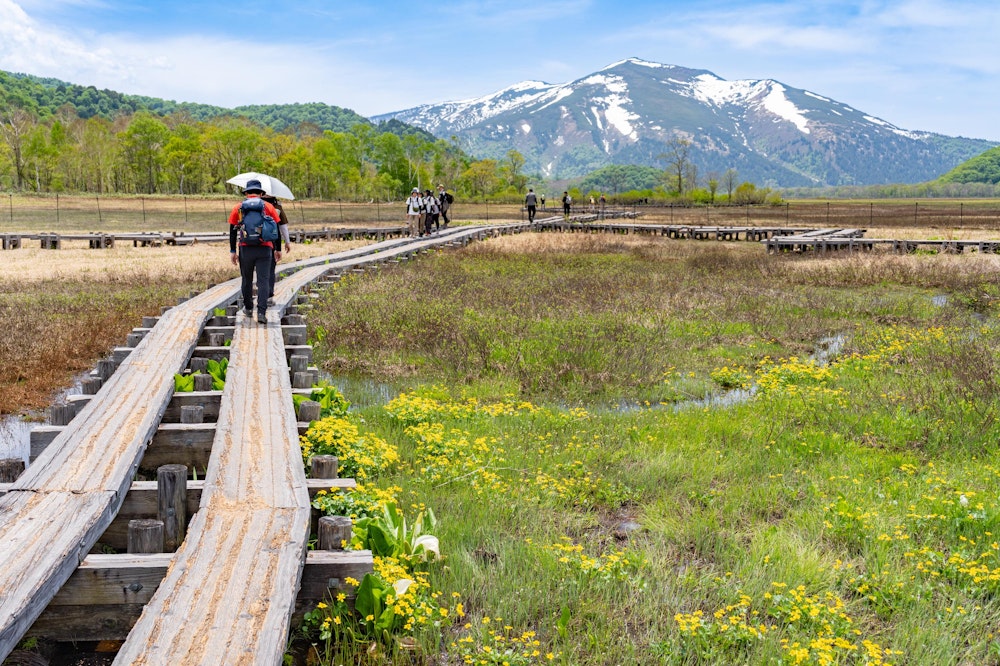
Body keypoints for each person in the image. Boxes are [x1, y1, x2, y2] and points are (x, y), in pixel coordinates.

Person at [229, 179, 282, 324]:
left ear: (246, 193)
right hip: (265, 248)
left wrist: (233, 250)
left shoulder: (238, 208)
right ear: (261, 193)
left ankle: (248, 308)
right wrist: (278, 249)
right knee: (263, 281)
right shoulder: (269, 207)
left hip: (245, 248)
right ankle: (261, 313)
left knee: (247, 280)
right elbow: (275, 229)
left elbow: (233, 231)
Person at [261, 192, 292, 306]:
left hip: (250, 244)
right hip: (270, 243)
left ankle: (252, 299)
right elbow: (282, 227)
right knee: (270, 270)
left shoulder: (248, 205)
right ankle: (268, 296)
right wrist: (286, 242)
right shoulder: (276, 207)